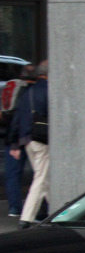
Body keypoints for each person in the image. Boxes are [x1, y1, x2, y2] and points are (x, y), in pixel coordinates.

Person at [8, 60, 49, 228]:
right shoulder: (49, 90)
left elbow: (17, 119)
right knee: (41, 178)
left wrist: (14, 144)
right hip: (43, 140)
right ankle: (26, 218)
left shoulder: (28, 93)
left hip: (27, 140)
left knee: (45, 179)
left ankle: (62, 213)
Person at [3, 63, 34, 216]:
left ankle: (15, 208)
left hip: (14, 137)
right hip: (33, 136)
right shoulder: (35, 90)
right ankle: (40, 208)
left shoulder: (11, 87)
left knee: (13, 174)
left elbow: (6, 115)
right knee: (40, 174)